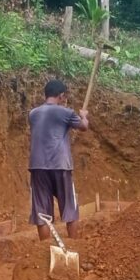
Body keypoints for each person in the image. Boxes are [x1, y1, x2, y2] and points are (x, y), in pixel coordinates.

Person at [28, 79, 89, 241]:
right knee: (70, 207)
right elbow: (83, 127)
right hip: (60, 165)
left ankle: (44, 249)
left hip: (38, 166)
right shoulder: (66, 113)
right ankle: (74, 244)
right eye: (64, 97)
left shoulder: (33, 114)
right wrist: (83, 116)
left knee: (42, 212)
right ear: (61, 96)